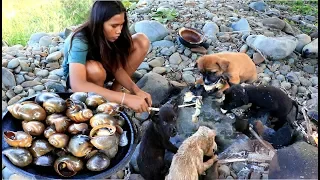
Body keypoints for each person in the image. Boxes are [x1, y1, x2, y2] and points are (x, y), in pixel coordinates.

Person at [62, 1, 152, 113]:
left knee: (141, 41)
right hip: (84, 76)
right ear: (99, 23)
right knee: (95, 69)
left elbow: (117, 68)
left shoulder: (113, 35)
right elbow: (77, 84)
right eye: (114, 26)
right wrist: (125, 99)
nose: (119, 31)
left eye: (121, 24)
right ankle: (100, 103)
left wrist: (136, 90)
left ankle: (114, 91)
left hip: (104, 68)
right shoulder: (79, 40)